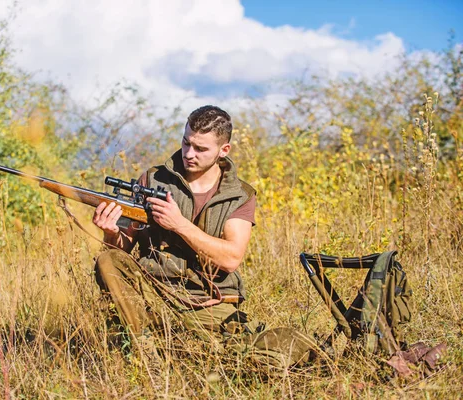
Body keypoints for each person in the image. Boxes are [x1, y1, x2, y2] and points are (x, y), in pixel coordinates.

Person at [92, 105, 314, 373]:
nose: (189, 154)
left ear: (224, 150)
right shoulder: (153, 179)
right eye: (186, 143)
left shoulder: (239, 195)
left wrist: (180, 225)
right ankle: (147, 360)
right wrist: (110, 232)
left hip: (210, 305)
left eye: (201, 149)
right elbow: (121, 251)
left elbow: (231, 258)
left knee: (273, 350)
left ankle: (201, 356)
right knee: (108, 260)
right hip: (153, 295)